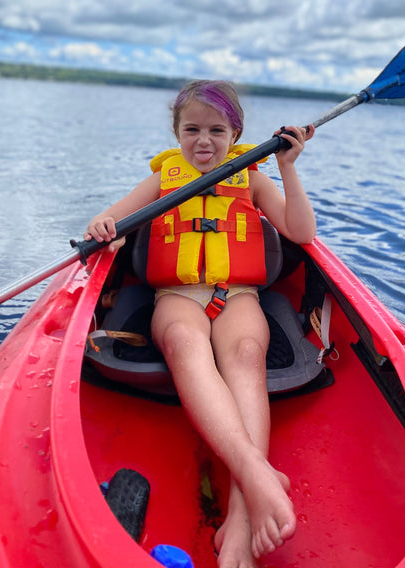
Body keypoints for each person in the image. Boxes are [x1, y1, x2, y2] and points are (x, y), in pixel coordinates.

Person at [85, 80, 315, 568]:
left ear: (236, 133)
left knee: (248, 357)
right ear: (177, 132)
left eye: (217, 129)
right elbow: (112, 220)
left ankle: (241, 517)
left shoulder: (252, 177)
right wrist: (104, 228)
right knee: (184, 342)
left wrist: (287, 169)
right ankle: (257, 475)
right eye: (192, 129)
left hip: (238, 294)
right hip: (177, 294)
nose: (204, 141)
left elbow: (300, 231)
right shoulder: (165, 177)